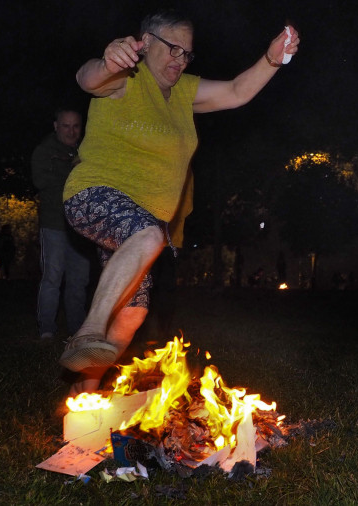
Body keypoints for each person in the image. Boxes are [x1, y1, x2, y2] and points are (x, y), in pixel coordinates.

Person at [58, 10, 300, 393]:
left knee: (134, 314)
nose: (180, 60)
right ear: (145, 42)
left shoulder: (184, 92)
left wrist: (273, 59)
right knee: (150, 236)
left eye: (187, 54)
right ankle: (87, 332)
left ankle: (84, 393)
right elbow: (88, 79)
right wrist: (107, 61)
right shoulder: (125, 78)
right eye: (173, 49)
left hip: (136, 224)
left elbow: (237, 91)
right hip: (92, 196)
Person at [31, 108, 91, 340]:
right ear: (56, 126)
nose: (71, 131)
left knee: (79, 281)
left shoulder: (87, 151)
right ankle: (47, 328)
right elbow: (41, 182)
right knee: (52, 277)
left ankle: (76, 331)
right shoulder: (44, 151)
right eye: (66, 126)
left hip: (81, 227)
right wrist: (73, 168)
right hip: (54, 224)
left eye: (75, 126)